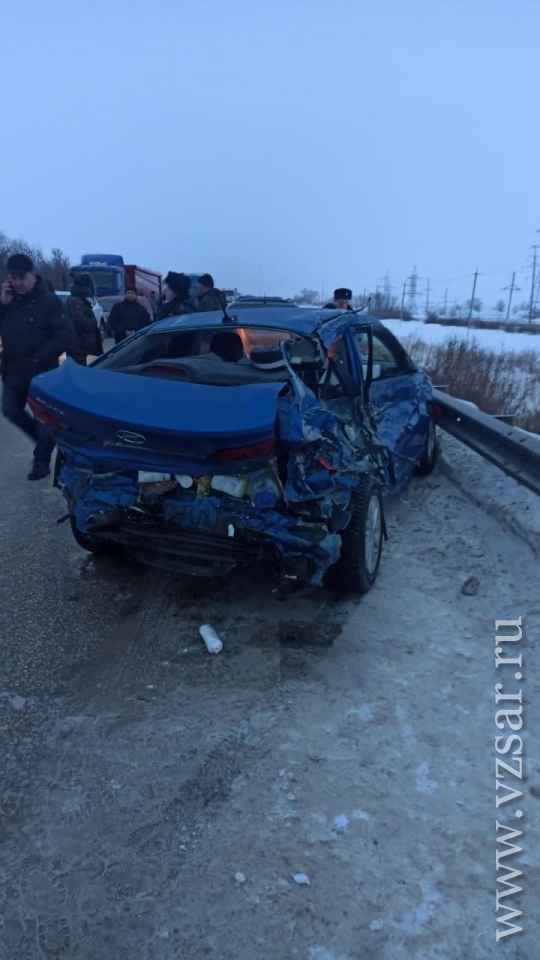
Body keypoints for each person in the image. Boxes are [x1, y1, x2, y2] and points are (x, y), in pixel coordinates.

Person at [0, 253, 73, 480]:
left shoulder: (49, 302)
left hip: (41, 371)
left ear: (33, 275)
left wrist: (39, 358)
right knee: (10, 410)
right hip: (13, 370)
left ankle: (41, 462)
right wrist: (2, 304)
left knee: (43, 419)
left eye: (22, 277)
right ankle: (44, 440)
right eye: (13, 278)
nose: (18, 283)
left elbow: (65, 334)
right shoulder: (9, 302)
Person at [65, 273, 103, 365]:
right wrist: (92, 322)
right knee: (78, 367)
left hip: (79, 344)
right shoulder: (75, 301)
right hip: (78, 344)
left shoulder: (78, 299)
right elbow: (80, 321)